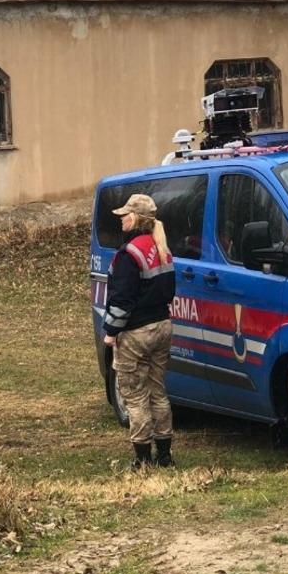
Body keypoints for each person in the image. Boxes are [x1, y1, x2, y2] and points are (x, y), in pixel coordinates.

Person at [102, 193, 176, 469]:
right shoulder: (162, 247)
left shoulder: (128, 255)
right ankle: (165, 455)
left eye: (124, 216)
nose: (121, 221)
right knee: (158, 391)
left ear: (134, 219)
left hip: (136, 333)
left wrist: (110, 332)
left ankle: (142, 460)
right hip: (162, 326)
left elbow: (122, 299)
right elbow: (170, 291)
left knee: (134, 395)